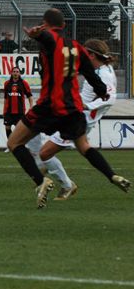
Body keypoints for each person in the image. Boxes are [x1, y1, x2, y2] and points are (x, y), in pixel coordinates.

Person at [7, 9, 130, 209]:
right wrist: (102, 92)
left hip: (49, 105)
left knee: (14, 143)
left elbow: (48, 39)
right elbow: (92, 75)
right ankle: (111, 174)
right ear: (64, 25)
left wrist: (36, 34)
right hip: (73, 109)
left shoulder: (50, 39)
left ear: (46, 24)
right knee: (85, 147)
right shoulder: (77, 47)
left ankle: (41, 181)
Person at [36, 39, 120, 200]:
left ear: (91, 55)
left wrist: (87, 105)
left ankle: (66, 184)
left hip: (79, 121)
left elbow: (110, 97)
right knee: (40, 140)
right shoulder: (101, 70)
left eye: (84, 53)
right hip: (74, 115)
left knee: (44, 153)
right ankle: (45, 173)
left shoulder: (104, 74)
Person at [3, 67, 33, 151]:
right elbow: (5, 98)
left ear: (19, 73)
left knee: (20, 130)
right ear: (11, 73)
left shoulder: (24, 83)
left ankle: (21, 145)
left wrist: (31, 107)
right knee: (7, 128)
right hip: (9, 111)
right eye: (14, 71)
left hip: (20, 111)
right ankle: (10, 146)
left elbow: (30, 96)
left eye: (17, 72)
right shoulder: (7, 83)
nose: (15, 73)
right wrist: (4, 110)